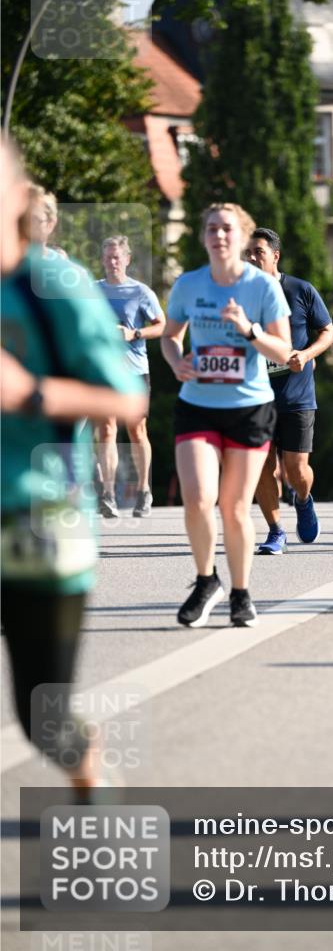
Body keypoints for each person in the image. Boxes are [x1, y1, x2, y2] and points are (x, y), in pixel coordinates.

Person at [1, 138, 147, 796]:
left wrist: (27, 393)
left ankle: (86, 767)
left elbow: (126, 396)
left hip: (39, 514)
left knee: (45, 719)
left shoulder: (51, 286)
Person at [161, 203, 291, 627]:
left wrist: (249, 330)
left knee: (234, 507)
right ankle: (205, 581)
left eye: (227, 229)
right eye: (212, 228)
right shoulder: (189, 284)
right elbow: (169, 336)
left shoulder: (261, 288)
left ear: (242, 236)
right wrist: (176, 360)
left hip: (249, 408)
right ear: (203, 236)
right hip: (197, 404)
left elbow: (284, 351)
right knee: (198, 499)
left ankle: (240, 592)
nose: (219, 235)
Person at [244, 227, 333, 554]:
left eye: (259, 253)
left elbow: (326, 331)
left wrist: (306, 354)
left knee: (296, 469)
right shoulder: (238, 294)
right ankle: (275, 530)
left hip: (296, 395)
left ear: (275, 257)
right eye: (248, 253)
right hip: (254, 397)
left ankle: (303, 498)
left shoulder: (300, 290)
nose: (252, 259)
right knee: (261, 465)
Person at [96, 236, 165, 518]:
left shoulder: (140, 292)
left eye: (117, 257)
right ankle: (108, 495)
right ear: (102, 259)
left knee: (136, 432)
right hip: (103, 372)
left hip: (135, 371)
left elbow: (161, 325)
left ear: (127, 259)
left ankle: (143, 490)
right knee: (107, 431)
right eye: (108, 257)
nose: (112, 262)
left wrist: (134, 333)